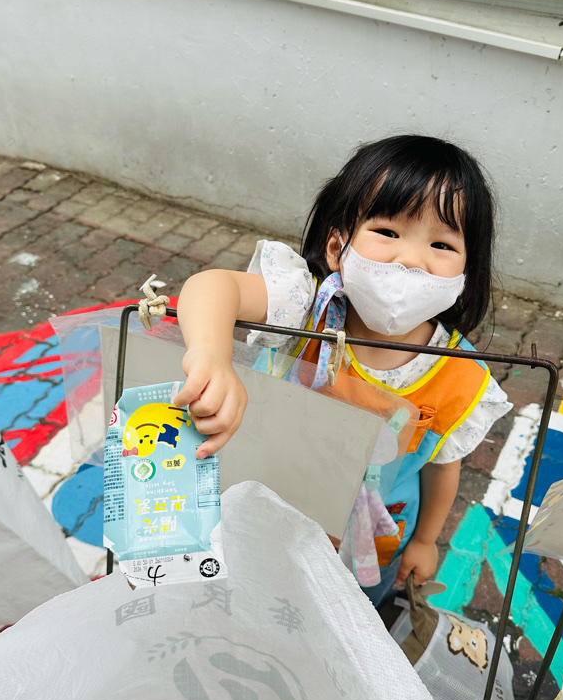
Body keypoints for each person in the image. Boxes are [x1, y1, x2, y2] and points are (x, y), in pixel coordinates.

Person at [174, 135, 512, 605]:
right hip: (272, 507)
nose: (411, 260)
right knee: (253, 596)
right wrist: (211, 356)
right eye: (388, 232)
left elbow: (442, 466)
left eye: (441, 243)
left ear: (465, 273)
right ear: (337, 246)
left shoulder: (461, 375)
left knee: (343, 612)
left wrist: (424, 540)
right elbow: (212, 287)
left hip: (369, 542)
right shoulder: (304, 309)